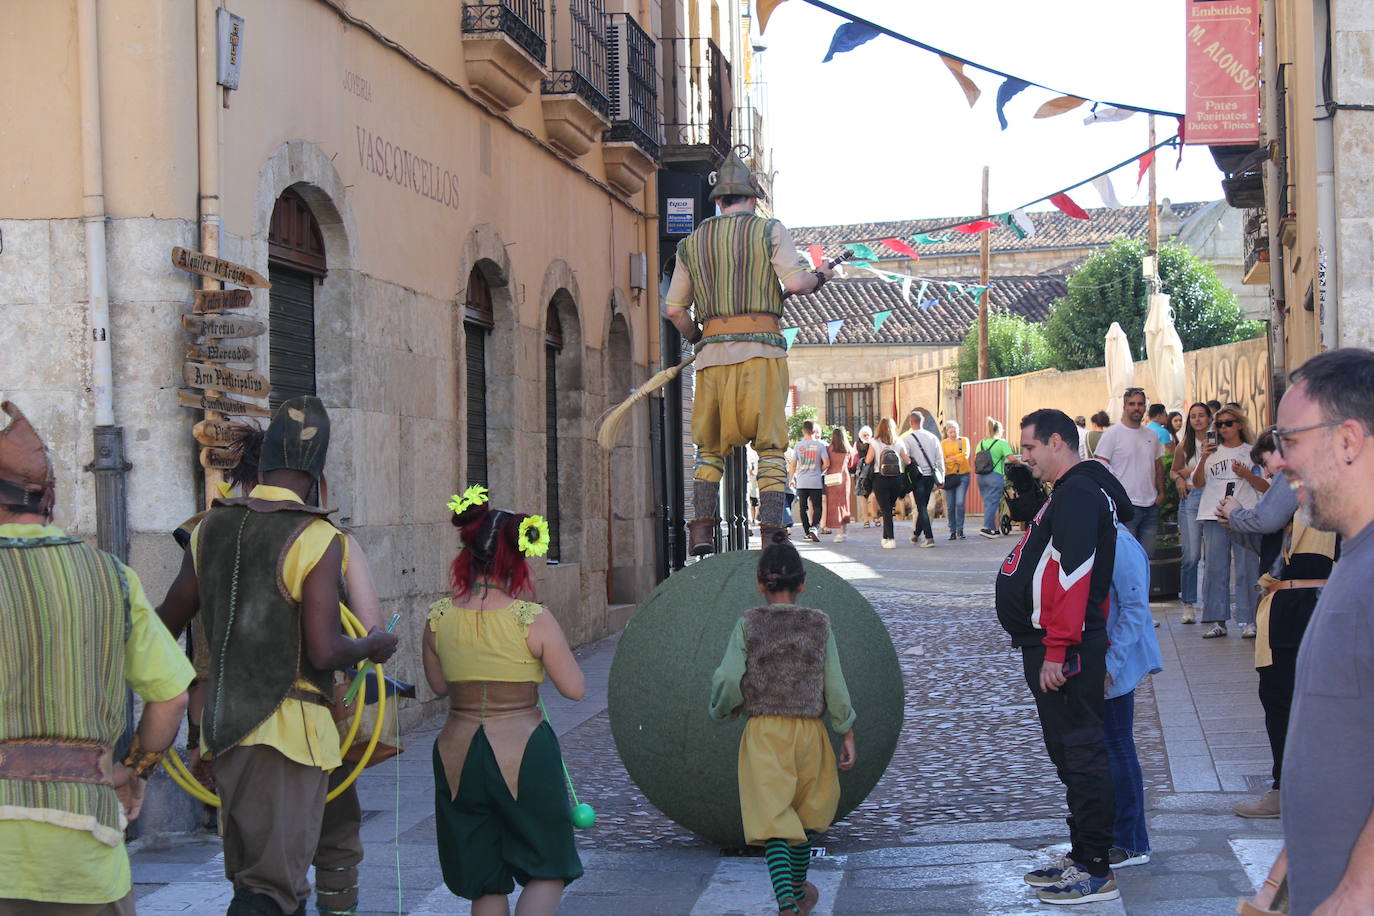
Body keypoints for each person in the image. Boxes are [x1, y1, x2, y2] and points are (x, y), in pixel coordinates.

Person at [156, 396, 400, 915]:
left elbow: (164, 626)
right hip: (293, 734)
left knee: (251, 881)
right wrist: (373, 647)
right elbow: (325, 648)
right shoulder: (318, 536)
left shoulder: (208, 528)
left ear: (262, 461)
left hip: (225, 730)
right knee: (275, 889)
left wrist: (179, 706)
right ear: (317, 471)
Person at [0, 402, 194, 915]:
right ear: (50, 499)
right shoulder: (110, 576)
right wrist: (137, 771)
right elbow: (171, 697)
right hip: (81, 848)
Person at [1240, 349, 1374, 916]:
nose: (1278, 464)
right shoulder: (1355, 557)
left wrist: (1360, 888)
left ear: (1347, 440)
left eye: (1290, 441)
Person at [663, 151, 835, 554]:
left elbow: (674, 310)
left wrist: (697, 337)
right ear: (753, 198)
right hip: (762, 355)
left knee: (708, 450)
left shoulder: (691, 243)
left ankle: (702, 531)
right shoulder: (769, 230)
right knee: (771, 448)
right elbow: (796, 284)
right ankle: (773, 532)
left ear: (718, 200)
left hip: (710, 361)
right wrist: (821, 275)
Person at [423, 490, 585, 915]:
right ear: (517, 559)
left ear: (468, 556)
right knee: (547, 866)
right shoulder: (532, 618)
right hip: (524, 748)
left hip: (456, 750)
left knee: (483, 876)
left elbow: (439, 686)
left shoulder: (438, 617)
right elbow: (575, 689)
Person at [1000, 408, 1131, 905]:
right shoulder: (1071, 491)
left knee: (1080, 752)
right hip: (1057, 644)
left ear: (1057, 442)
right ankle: (1083, 854)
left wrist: (1057, 649)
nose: (1025, 457)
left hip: (1067, 649)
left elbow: (1072, 575)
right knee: (1069, 753)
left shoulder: (1078, 491)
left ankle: (1096, 869)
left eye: (1031, 448)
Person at [710, 532, 857, 916]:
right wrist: (846, 730)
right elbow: (835, 682)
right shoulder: (819, 624)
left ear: (760, 583)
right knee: (809, 815)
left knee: (774, 820)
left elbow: (728, 678)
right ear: (803, 582)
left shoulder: (749, 623)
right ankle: (797, 888)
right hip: (810, 732)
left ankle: (787, 904)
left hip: (765, 733)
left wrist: (723, 709)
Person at [1217, 432, 1337, 822]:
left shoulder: (1297, 471)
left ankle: (1288, 789)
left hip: (1298, 604)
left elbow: (1266, 521)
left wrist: (1236, 512)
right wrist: (1234, 520)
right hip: (1308, 600)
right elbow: (1272, 547)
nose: (1267, 474)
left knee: (1282, 697)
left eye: (1266, 464)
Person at [1103, 518, 1164, 871]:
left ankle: (1131, 842)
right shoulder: (1098, 534)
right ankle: (1118, 837)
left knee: (1117, 747)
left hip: (1114, 662)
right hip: (1104, 657)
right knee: (1108, 747)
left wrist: (1113, 662)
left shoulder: (1120, 542)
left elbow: (1135, 606)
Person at [1192, 405, 1262, 639]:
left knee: (1247, 569)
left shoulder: (1253, 452)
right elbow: (1198, 482)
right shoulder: (1211, 452)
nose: (1223, 428)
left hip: (1244, 515)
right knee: (1215, 568)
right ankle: (1217, 620)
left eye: (1228, 423)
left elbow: (1264, 486)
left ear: (1240, 425)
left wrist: (1247, 475)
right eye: (1219, 424)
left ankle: (1248, 619)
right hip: (1213, 514)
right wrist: (1203, 457)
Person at [1093, 388, 1165, 557]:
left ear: (1145, 407)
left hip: (1151, 507)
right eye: (1132, 404)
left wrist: (1161, 493)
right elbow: (1099, 469)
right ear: (1124, 406)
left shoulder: (1152, 435)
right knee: (1126, 561)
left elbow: (1158, 465)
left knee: (1146, 561)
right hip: (1125, 507)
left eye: (1140, 404)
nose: (1136, 408)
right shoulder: (1112, 434)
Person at [1172, 402, 1215, 623]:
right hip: (1191, 496)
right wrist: (1180, 477)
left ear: (1209, 418)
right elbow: (1173, 471)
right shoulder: (1185, 445)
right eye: (1193, 416)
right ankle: (1188, 603)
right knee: (1191, 554)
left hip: (1214, 497)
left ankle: (1211, 602)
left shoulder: (1217, 441)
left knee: (1213, 556)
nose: (1197, 419)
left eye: (1201, 415)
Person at [901, 410, 945, 548]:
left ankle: (929, 537)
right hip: (930, 477)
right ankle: (916, 534)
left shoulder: (906, 439)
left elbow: (905, 460)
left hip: (917, 477)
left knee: (922, 507)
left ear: (910, 422)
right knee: (923, 506)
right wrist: (941, 477)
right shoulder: (933, 437)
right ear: (923, 421)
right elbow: (940, 458)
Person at [865, 418, 908, 549]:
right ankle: (885, 537)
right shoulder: (899, 441)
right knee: (889, 508)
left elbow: (868, 460)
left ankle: (891, 539)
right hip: (896, 478)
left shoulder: (874, 442)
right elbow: (907, 460)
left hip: (880, 478)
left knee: (886, 509)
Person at [975, 419, 1015, 538]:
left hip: (981, 476)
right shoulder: (1001, 443)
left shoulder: (981, 443)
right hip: (995, 475)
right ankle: (986, 528)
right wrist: (1021, 463)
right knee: (993, 503)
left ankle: (995, 529)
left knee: (990, 503)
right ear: (999, 430)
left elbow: (975, 459)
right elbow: (1011, 458)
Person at [793, 421, 828, 542]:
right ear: (814, 431)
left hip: (802, 481)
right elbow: (827, 463)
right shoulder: (820, 445)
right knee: (818, 506)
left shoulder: (798, 446)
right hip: (815, 481)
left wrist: (791, 478)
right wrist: (819, 470)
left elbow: (793, 465)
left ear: (803, 431)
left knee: (803, 507)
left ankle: (807, 531)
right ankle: (814, 527)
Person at [941, 420, 971, 540]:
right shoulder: (943, 443)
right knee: (950, 505)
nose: (953, 434)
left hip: (963, 474)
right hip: (949, 476)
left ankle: (960, 528)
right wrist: (954, 459)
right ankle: (952, 530)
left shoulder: (963, 441)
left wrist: (951, 458)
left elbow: (965, 455)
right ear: (947, 432)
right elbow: (943, 459)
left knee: (959, 502)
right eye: (951, 432)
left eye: (955, 431)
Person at [823, 428, 852, 543]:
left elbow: (827, 464)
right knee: (844, 503)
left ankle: (839, 533)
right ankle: (844, 530)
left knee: (834, 505)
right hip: (844, 477)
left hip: (832, 478)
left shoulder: (829, 449)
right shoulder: (848, 449)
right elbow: (851, 464)